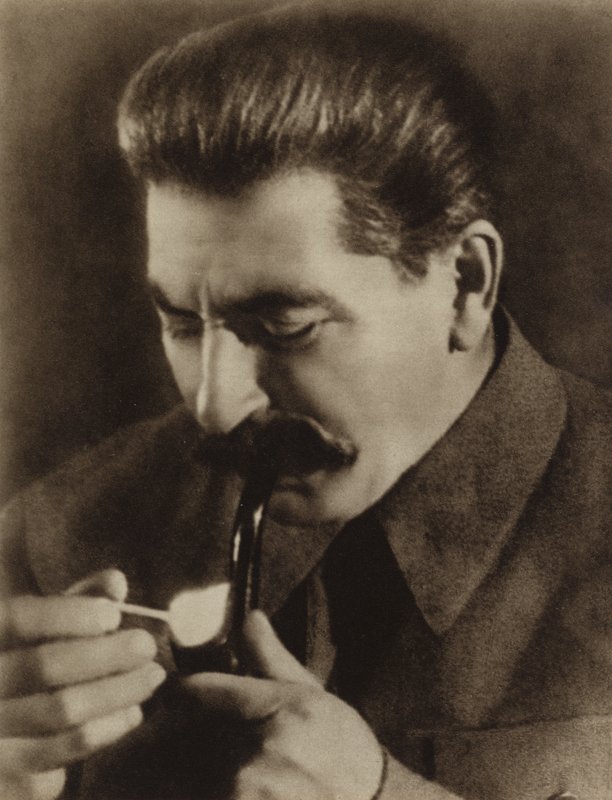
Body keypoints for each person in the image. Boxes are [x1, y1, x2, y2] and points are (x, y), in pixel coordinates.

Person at [1, 6, 610, 800]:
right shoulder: (54, 542)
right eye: (181, 323)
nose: (215, 407)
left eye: (286, 327)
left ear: (464, 284)